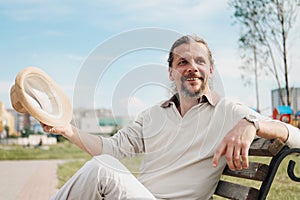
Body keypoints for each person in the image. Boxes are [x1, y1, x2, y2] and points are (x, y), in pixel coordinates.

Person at [42, 35, 300, 200]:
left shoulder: (228, 110)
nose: (192, 68)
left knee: (101, 170)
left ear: (210, 70)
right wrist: (67, 129)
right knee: (104, 164)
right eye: (182, 62)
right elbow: (111, 148)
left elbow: (296, 136)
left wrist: (251, 123)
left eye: (199, 61)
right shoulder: (152, 115)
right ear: (171, 72)